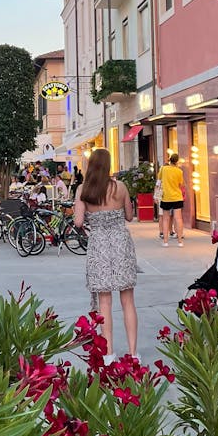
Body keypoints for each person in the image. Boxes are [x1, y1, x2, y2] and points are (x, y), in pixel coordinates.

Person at [73, 147, 138, 360]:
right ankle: (133, 352)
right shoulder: (120, 187)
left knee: (105, 303)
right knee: (128, 300)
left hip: (99, 244)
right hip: (121, 243)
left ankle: (108, 354)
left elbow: (78, 222)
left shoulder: (83, 189)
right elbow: (129, 216)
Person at [158, 154, 186, 247]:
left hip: (166, 197)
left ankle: (165, 241)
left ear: (169, 160)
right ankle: (180, 241)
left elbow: (159, 181)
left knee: (166, 219)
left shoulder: (163, 169)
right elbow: (181, 185)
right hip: (177, 197)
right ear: (177, 161)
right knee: (178, 219)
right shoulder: (179, 171)